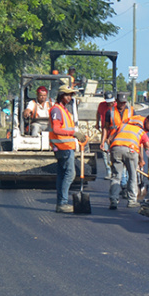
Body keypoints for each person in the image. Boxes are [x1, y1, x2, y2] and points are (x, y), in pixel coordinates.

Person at [107, 113, 149, 210]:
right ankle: (132, 201)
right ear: (145, 121)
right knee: (133, 176)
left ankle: (113, 200)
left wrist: (110, 150)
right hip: (130, 151)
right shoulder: (141, 132)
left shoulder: (123, 126)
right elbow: (147, 148)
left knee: (116, 176)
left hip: (116, 148)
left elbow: (110, 139)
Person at [49, 85, 85, 213]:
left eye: (71, 95)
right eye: (67, 95)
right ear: (60, 95)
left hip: (65, 147)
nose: (69, 97)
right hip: (62, 147)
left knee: (62, 175)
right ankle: (63, 203)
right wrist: (73, 133)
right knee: (70, 174)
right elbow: (56, 129)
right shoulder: (57, 110)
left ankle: (61, 203)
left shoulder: (64, 110)